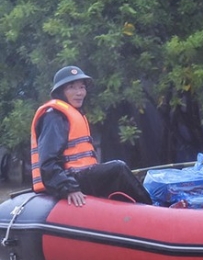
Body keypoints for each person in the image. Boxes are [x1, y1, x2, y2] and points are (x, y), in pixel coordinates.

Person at [31, 66, 153, 207]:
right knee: (118, 169)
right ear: (60, 92)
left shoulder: (72, 113)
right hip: (69, 178)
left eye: (82, 87)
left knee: (122, 174)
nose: (79, 93)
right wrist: (69, 188)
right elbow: (47, 163)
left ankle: (141, 209)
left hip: (79, 176)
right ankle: (153, 208)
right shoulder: (54, 116)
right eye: (72, 87)